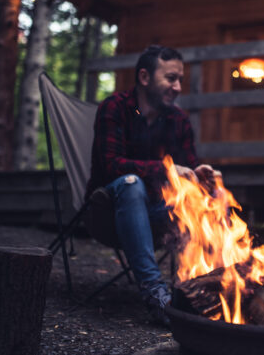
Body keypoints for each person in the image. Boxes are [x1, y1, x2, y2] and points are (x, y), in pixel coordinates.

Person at [86, 45, 215, 326]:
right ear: (144, 78)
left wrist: (198, 175)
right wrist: (166, 170)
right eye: (171, 78)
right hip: (109, 213)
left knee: (199, 197)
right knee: (131, 183)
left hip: (158, 219)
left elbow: (187, 173)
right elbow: (111, 165)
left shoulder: (178, 120)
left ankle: (194, 289)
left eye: (180, 79)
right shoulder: (115, 108)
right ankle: (155, 293)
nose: (178, 86)